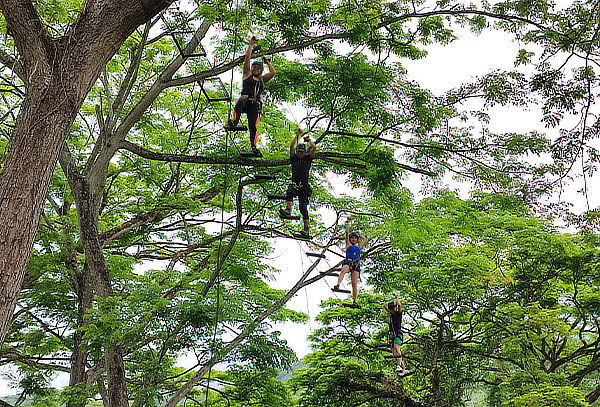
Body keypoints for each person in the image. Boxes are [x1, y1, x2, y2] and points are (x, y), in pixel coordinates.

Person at [225, 36, 275, 157]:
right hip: (245, 100)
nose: (256, 69)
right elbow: (247, 59)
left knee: (253, 126)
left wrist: (268, 63)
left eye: (258, 68)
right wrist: (251, 45)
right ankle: (234, 122)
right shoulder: (247, 74)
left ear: (261, 70)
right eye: (254, 67)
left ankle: (254, 147)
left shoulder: (262, 80)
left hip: (255, 104)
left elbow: (273, 73)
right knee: (240, 103)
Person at [279, 128, 316, 238]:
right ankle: (288, 209)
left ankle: (306, 229)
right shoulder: (294, 158)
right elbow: (291, 147)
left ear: (305, 152)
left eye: (302, 152)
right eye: (298, 152)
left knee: (303, 208)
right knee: (290, 192)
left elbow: (314, 147)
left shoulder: (307, 159)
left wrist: (308, 140)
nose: (300, 154)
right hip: (295, 184)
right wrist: (297, 135)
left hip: (304, 186)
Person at [333, 218, 366, 307]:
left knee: (354, 283)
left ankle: (354, 301)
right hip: (349, 261)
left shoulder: (359, 246)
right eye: (353, 238)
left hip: (356, 263)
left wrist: (360, 235)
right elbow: (347, 234)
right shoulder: (348, 244)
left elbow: (364, 240)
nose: (354, 239)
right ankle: (338, 284)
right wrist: (348, 224)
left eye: (355, 238)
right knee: (343, 270)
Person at [384, 294, 410, 376]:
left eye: (392, 309)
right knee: (394, 352)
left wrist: (397, 297)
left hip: (398, 334)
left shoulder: (399, 313)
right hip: (391, 335)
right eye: (390, 309)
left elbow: (399, 305)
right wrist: (391, 303)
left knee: (397, 348)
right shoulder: (392, 314)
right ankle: (404, 369)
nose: (391, 310)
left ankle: (398, 365)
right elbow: (384, 305)